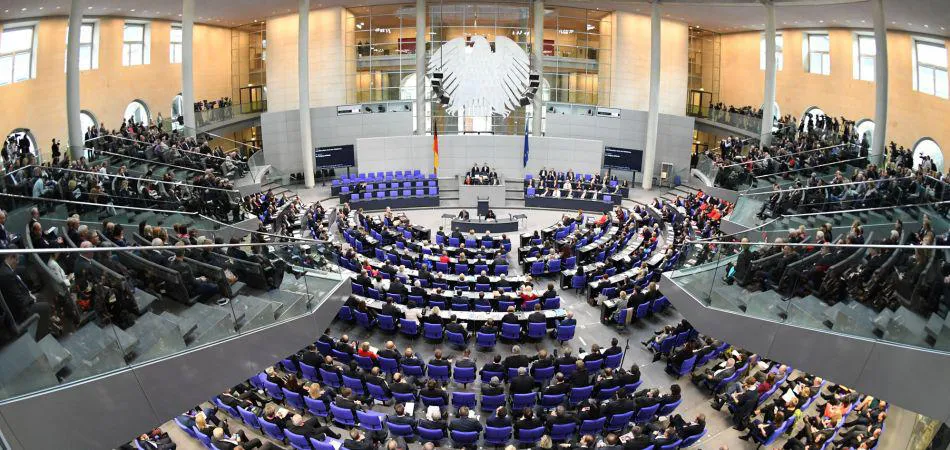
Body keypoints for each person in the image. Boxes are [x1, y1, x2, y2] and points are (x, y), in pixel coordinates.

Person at [0, 249, 52, 339]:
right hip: (19, 313)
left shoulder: (6, 269)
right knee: (45, 306)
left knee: (41, 297)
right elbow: (18, 301)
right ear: (11, 257)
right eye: (17, 260)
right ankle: (41, 337)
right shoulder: (6, 274)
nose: (17, 263)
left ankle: (47, 326)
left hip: (20, 304)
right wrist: (32, 299)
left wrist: (30, 297)